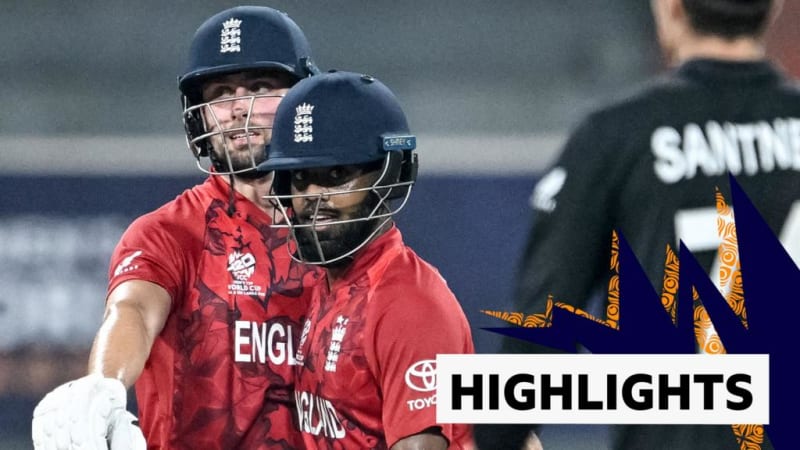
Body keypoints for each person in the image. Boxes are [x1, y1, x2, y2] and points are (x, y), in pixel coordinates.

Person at [478, 0, 798, 449]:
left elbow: (543, 323)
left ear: (670, 7)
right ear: (774, 6)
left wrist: (500, 436)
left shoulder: (618, 134)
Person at [32, 6, 321, 449]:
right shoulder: (168, 233)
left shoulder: (341, 232)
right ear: (199, 114)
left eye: (260, 87)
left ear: (302, 99)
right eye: (221, 93)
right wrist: (104, 386)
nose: (236, 109)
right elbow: (133, 312)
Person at [258, 70, 475, 449]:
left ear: (389, 175)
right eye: (300, 177)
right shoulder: (329, 288)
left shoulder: (407, 304)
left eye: (337, 175)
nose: (313, 195)